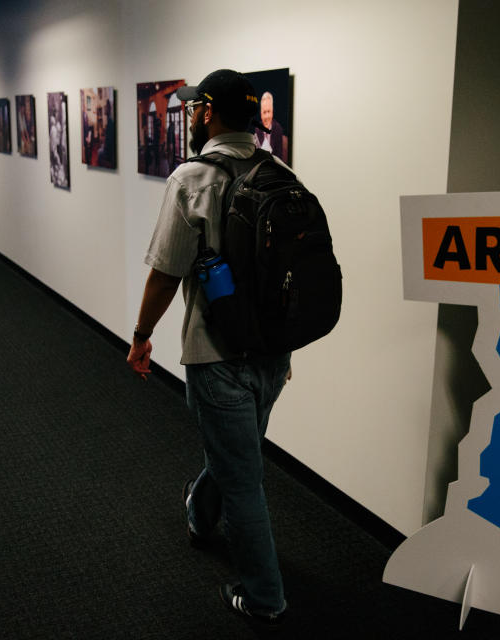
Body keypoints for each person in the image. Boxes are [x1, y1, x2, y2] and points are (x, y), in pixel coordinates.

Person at [126, 69, 291, 626]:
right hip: (273, 354)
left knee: (243, 479)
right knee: (235, 453)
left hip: (217, 355)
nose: (193, 115)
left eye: (197, 108)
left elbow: (166, 273)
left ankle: (264, 597)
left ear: (209, 114)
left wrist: (142, 335)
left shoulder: (193, 178)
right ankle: (199, 513)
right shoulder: (282, 173)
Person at [253, 91, 286, 163]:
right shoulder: (257, 128)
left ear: (272, 112)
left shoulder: (278, 129)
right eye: (264, 112)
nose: (267, 116)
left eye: (269, 111)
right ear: (261, 114)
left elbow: (279, 157)